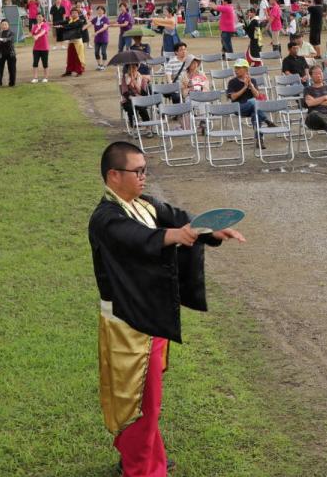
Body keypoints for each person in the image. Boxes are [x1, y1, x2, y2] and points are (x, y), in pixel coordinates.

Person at [89, 141, 244, 476]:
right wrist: (174, 235)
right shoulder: (105, 218)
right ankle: (141, 468)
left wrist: (211, 230)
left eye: (145, 170)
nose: (144, 177)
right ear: (114, 175)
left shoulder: (144, 203)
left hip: (151, 317)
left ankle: (143, 457)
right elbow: (136, 238)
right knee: (134, 402)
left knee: (148, 401)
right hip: (127, 325)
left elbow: (180, 218)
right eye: (137, 171)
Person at [225, 59, 272, 130]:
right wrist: (245, 87)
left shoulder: (252, 80)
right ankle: (266, 120)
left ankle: (258, 135)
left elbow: (257, 96)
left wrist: (251, 85)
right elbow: (233, 97)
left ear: (245, 69)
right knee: (254, 102)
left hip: (252, 108)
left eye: (238, 68)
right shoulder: (232, 82)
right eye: (235, 68)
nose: (236, 70)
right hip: (238, 107)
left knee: (256, 113)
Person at [59, 9, 87, 78]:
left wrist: (62, 26)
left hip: (77, 41)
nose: (74, 14)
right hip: (71, 41)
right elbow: (63, 22)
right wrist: (55, 23)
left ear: (78, 14)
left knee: (78, 57)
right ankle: (69, 71)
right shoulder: (70, 20)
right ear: (71, 14)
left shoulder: (80, 21)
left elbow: (72, 25)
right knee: (70, 57)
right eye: (72, 13)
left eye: (75, 13)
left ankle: (79, 71)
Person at [0, 20, 17, 88]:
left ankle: (12, 83)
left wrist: (3, 39)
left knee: (12, 68)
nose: (4, 26)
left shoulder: (11, 33)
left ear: (8, 25)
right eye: (2, 24)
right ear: (0, 25)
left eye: (5, 24)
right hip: (1, 53)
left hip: (11, 53)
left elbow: (10, 39)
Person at [28, 15, 51, 84]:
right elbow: (32, 34)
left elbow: (43, 32)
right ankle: (35, 78)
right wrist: (30, 35)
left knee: (45, 63)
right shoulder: (35, 26)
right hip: (36, 48)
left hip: (44, 48)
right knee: (35, 63)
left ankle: (46, 77)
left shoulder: (45, 25)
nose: (39, 18)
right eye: (38, 17)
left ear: (43, 18)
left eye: (40, 17)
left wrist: (37, 36)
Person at [91, 6, 111, 70]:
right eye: (98, 10)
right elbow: (89, 24)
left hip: (104, 38)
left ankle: (103, 65)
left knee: (103, 52)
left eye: (101, 10)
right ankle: (99, 64)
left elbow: (104, 27)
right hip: (97, 39)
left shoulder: (105, 19)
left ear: (103, 11)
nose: (99, 11)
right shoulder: (95, 19)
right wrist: (82, 29)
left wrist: (97, 32)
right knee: (96, 52)